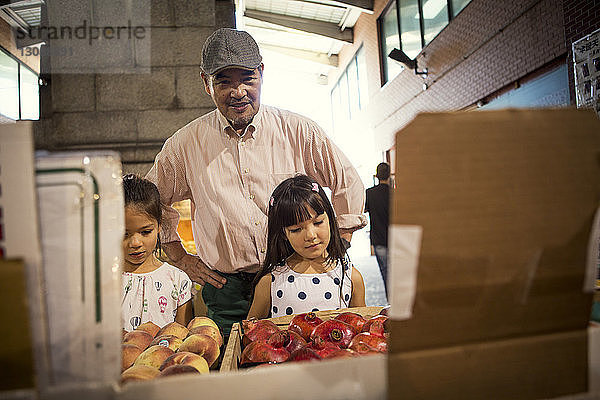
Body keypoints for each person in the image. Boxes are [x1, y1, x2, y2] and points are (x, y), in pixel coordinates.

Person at [145, 28, 366, 336]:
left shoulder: (298, 131)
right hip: (228, 290)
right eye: (224, 81)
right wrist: (180, 257)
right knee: (232, 369)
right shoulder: (184, 146)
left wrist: (339, 241)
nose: (238, 91)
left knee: (303, 363)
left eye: (248, 78)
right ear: (205, 83)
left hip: (296, 279)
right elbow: (149, 202)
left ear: (262, 73)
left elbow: (349, 181)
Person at [247, 175, 366, 319]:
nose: (310, 235)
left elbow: (360, 328)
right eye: (296, 229)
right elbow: (252, 333)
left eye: (318, 223)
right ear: (283, 233)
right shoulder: (270, 282)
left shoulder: (351, 277)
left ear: (330, 219)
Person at [121, 174, 193, 332]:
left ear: (159, 226)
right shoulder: (103, 283)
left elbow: (180, 340)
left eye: (145, 232)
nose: (135, 243)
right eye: (124, 234)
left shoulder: (178, 281)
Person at [365, 162, 390, 299]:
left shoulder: (370, 193)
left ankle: (391, 302)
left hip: (379, 239)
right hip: (396, 240)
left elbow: (364, 209)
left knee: (386, 273)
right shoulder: (395, 194)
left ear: (377, 175)